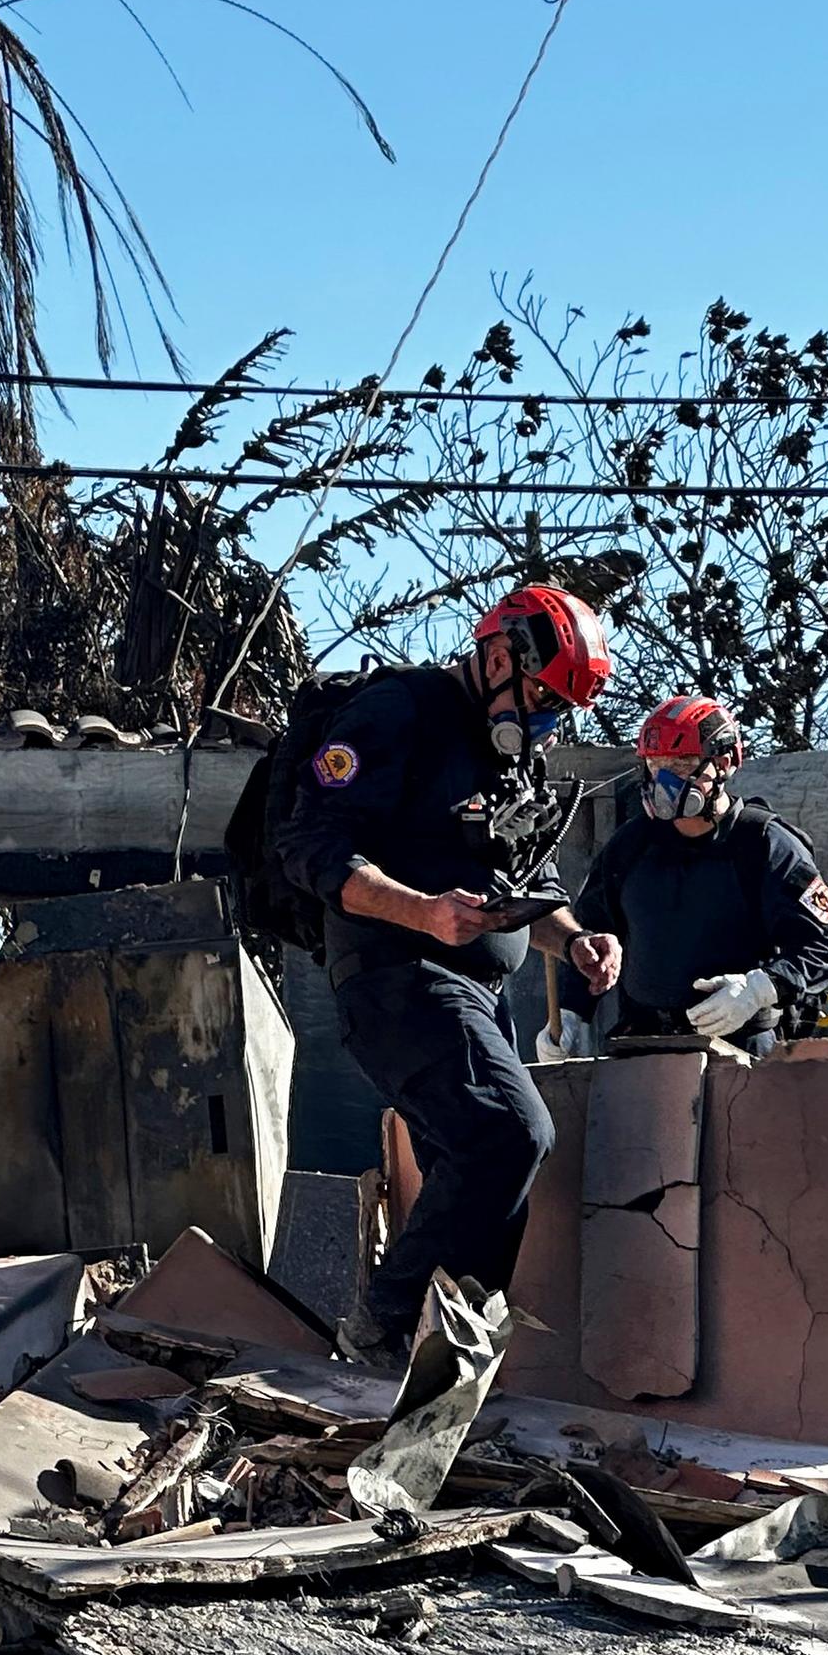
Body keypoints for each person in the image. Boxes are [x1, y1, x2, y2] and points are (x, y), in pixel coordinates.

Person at [275, 583, 625, 1366]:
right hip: (399, 974)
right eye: (541, 696)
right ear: (498, 656)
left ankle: (441, 1366)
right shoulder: (401, 712)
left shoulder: (514, 762)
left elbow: (530, 891)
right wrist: (422, 912)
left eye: (560, 708)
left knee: (487, 1195)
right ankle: (384, 1325)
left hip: (473, 992)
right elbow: (312, 847)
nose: (547, 720)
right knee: (511, 1132)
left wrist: (574, 943)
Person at [573, 693, 828, 1054]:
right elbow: (588, 937)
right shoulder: (630, 845)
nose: (667, 781)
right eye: (657, 766)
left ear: (724, 762)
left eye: (683, 764)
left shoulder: (763, 844)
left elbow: (823, 946)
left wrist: (758, 989)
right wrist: (572, 1012)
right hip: (641, 1047)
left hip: (741, 1049)